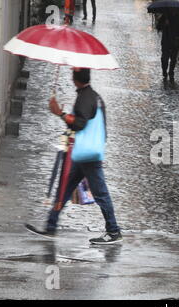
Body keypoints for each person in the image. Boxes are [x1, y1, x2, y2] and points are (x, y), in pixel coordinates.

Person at [26, 68, 123, 245]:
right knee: (64, 188)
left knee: (100, 193)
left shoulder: (85, 98)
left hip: (88, 155)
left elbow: (79, 123)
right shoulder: (93, 95)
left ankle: (113, 230)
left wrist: (60, 113)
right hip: (84, 154)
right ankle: (51, 226)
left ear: (74, 79)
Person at [156, 9, 179, 83]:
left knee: (173, 58)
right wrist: (164, 24)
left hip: (175, 41)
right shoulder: (165, 16)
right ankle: (164, 72)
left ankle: (171, 72)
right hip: (166, 41)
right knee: (164, 58)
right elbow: (158, 27)